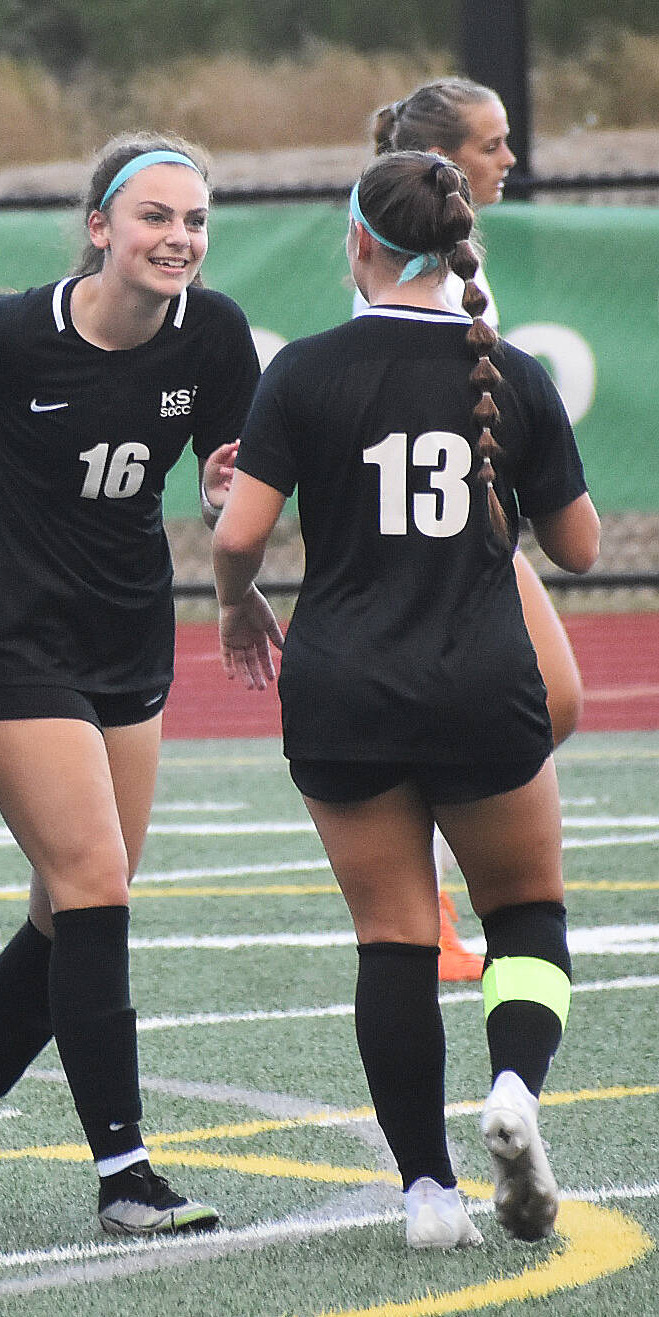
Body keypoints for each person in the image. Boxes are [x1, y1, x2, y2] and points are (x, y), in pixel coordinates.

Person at [0, 132, 274, 1236]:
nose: (178, 238)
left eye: (195, 221)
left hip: (128, 632)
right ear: (100, 227)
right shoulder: (13, 329)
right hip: (10, 636)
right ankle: (125, 1172)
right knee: (95, 880)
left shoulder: (218, 335)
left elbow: (227, 496)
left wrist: (233, 510)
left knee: (67, 908)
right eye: (154, 217)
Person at [211, 151, 599, 1249]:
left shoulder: (305, 368)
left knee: (392, 938)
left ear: (359, 244)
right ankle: (516, 1087)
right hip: (480, 678)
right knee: (525, 914)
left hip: (343, 686)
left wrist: (239, 604)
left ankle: (427, 1194)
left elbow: (240, 533)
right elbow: (576, 548)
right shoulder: (511, 371)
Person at [359, 78, 586, 981]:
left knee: (553, 701)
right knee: (533, 700)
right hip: (430, 536)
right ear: (447, 158)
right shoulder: (399, 252)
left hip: (463, 523)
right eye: (492, 144)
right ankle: (436, 886)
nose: (508, 159)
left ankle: (447, 868)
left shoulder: (455, 258)